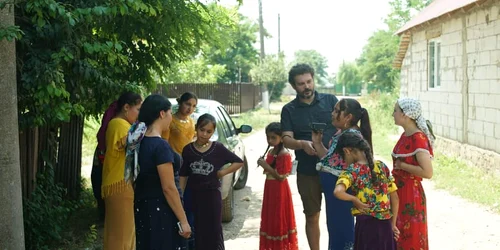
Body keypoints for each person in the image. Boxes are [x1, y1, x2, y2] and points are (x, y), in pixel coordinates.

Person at [280, 63, 338, 250]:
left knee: (338, 215)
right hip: (307, 171)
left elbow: (345, 128)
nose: (306, 87)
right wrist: (301, 144)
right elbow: (286, 139)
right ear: (294, 86)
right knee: (312, 216)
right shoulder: (289, 109)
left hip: (335, 170)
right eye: (301, 84)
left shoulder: (330, 101)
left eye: (309, 81)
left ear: (314, 80)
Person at [130, 94, 192, 249]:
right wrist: (183, 221)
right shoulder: (160, 146)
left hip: (143, 208)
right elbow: (168, 187)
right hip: (162, 211)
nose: (171, 117)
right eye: (170, 113)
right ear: (162, 113)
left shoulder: (138, 142)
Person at [312, 98, 372, 249]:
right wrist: (317, 143)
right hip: (335, 192)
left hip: (342, 191)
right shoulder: (341, 133)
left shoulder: (352, 136)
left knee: (343, 229)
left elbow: (359, 165)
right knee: (335, 228)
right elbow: (330, 161)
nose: (332, 114)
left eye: (337, 111)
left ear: (348, 117)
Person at [179, 114, 244, 250]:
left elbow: (238, 162)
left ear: (213, 132)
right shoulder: (188, 150)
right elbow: (183, 175)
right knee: (196, 230)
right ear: (196, 128)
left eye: (209, 132)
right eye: (202, 130)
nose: (204, 134)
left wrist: (222, 173)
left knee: (213, 231)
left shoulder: (218, 148)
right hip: (194, 196)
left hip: (212, 197)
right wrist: (180, 196)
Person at [333, 132, 400, 250]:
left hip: (366, 227)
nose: (344, 161)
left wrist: (354, 199)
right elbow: (395, 198)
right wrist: (393, 225)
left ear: (347, 151)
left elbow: (338, 191)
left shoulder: (352, 171)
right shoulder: (382, 166)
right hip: (385, 226)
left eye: (343, 156)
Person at [391, 97, 435, 250]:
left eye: (395, 110)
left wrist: (402, 165)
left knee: (411, 238)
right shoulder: (405, 136)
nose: (393, 114)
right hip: (399, 193)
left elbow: (428, 172)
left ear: (406, 115)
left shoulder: (418, 139)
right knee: (398, 236)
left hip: (411, 194)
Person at [101, 91, 142, 250]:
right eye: (138, 109)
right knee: (122, 234)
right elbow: (132, 141)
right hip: (120, 184)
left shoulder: (121, 123)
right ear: (126, 107)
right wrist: (147, 124)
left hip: (119, 184)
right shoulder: (118, 124)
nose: (139, 114)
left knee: (120, 232)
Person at [161, 92, 198, 249]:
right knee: (177, 200)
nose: (190, 108)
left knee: (189, 203)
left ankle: (190, 239)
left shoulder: (191, 122)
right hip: (173, 166)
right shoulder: (170, 121)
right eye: (188, 104)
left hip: (190, 167)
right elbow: (164, 143)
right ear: (180, 103)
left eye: (194, 106)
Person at [257, 122, 298, 250]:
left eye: (273, 137)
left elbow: (281, 176)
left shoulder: (284, 154)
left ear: (281, 138)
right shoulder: (271, 151)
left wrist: (265, 166)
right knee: (270, 217)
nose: (270, 140)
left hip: (279, 190)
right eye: (268, 137)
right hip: (270, 188)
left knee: (278, 217)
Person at [91, 100, 120, 222]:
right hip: (108, 154)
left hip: (104, 151)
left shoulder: (112, 113)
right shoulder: (119, 122)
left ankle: (103, 212)